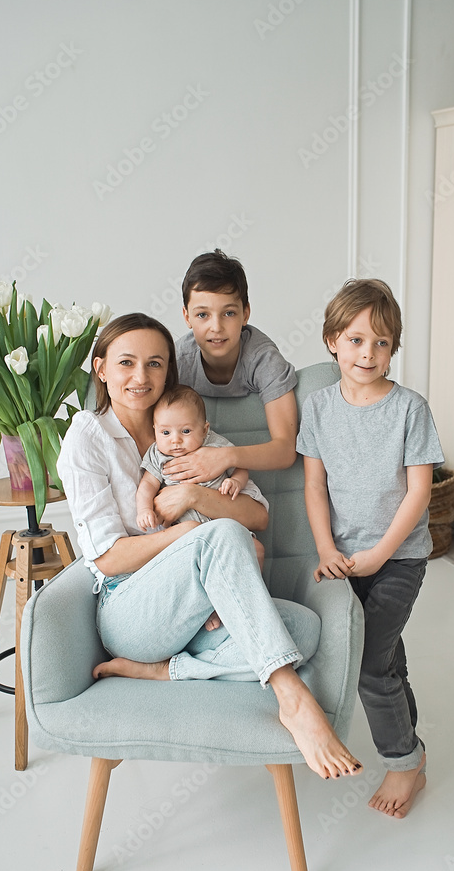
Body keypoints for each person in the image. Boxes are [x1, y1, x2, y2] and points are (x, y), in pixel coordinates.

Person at [57, 312, 362, 781]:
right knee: (219, 535)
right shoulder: (87, 436)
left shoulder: (192, 434)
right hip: (132, 611)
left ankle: (166, 670)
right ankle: (292, 698)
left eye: (155, 363)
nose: (141, 377)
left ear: (169, 372)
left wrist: (197, 497)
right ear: (101, 369)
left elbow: (258, 516)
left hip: (195, 613)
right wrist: (189, 535)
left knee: (303, 630)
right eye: (126, 363)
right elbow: (107, 558)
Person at [296, 280, 443, 814]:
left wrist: (380, 554)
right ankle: (413, 747)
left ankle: (404, 764)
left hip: (399, 558)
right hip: (343, 559)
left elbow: (420, 491)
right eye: (356, 340)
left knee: (368, 666)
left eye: (381, 343)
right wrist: (325, 549)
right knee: (386, 656)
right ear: (333, 341)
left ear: (393, 348)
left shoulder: (410, 408)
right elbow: (315, 486)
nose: (368, 353)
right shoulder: (317, 407)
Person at [167, 249, 298, 486]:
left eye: (228, 313)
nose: (216, 327)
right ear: (187, 317)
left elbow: (286, 450)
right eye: (202, 315)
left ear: (245, 314)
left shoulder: (264, 359)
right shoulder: (178, 362)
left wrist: (225, 457)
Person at [135, 384, 267, 529]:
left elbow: (240, 468)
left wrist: (236, 481)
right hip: (187, 530)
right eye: (166, 433)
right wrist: (144, 510)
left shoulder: (215, 445)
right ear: (155, 430)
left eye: (186, 431)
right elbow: (147, 484)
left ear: (204, 430)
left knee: (252, 542)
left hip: (223, 521)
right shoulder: (157, 454)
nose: (175, 440)